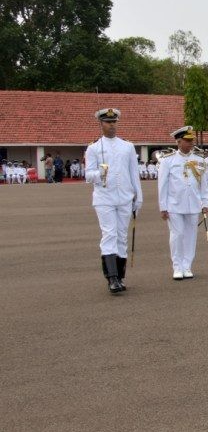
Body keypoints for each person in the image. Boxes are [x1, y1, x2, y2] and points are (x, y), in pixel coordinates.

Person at [84, 108, 143, 293]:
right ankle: (112, 278)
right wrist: (99, 173)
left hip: (124, 197)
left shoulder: (127, 146)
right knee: (109, 234)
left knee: (122, 236)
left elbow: (134, 174)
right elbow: (87, 176)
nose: (112, 125)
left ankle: (120, 276)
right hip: (104, 197)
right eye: (108, 122)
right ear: (100, 124)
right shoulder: (94, 148)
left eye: (114, 122)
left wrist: (138, 197)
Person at [158, 127, 208, 280]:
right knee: (177, 234)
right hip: (174, 204)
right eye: (187, 141)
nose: (190, 143)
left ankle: (187, 265)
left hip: (193, 204)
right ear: (178, 141)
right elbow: (162, 185)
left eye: (191, 141)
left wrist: (205, 202)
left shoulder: (199, 160)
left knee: (190, 236)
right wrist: (163, 207)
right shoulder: (168, 160)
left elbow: (203, 184)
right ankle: (177, 266)